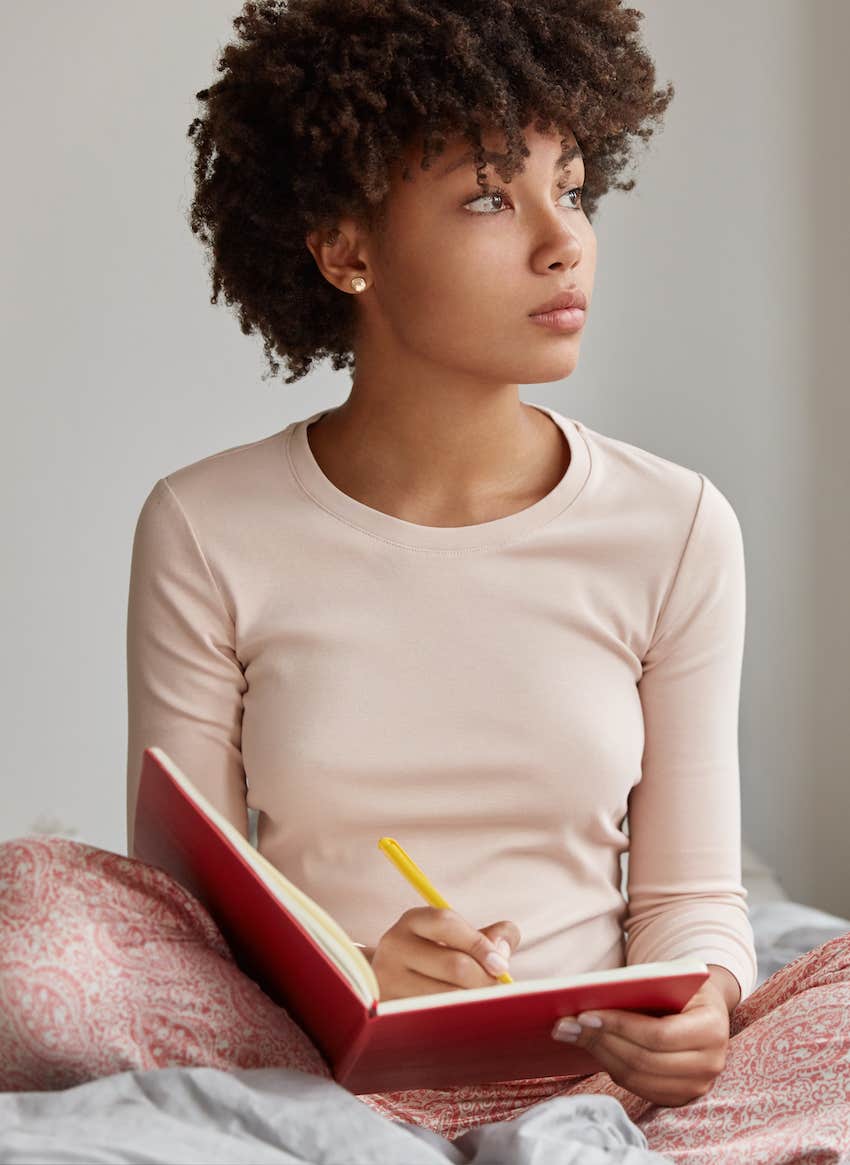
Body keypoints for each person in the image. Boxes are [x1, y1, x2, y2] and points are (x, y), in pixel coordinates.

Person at [2, 1, 848, 1161]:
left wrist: (700, 1001)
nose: (563, 242)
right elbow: (184, 912)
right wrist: (355, 971)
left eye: (573, 189)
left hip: (598, 1072)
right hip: (307, 1058)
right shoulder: (206, 525)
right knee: (32, 925)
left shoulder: (677, 523)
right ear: (346, 249)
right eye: (491, 198)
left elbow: (689, 895)